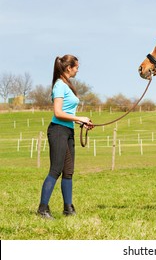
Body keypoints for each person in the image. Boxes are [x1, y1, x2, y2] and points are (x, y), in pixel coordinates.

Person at [37, 55, 93, 219]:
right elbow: (58, 112)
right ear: (69, 68)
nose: (77, 69)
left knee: (68, 171)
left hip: (68, 131)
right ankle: (42, 209)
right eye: (76, 67)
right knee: (56, 170)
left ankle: (68, 208)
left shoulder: (67, 85)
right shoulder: (60, 85)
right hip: (58, 131)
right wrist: (79, 118)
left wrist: (81, 122)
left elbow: (67, 113)